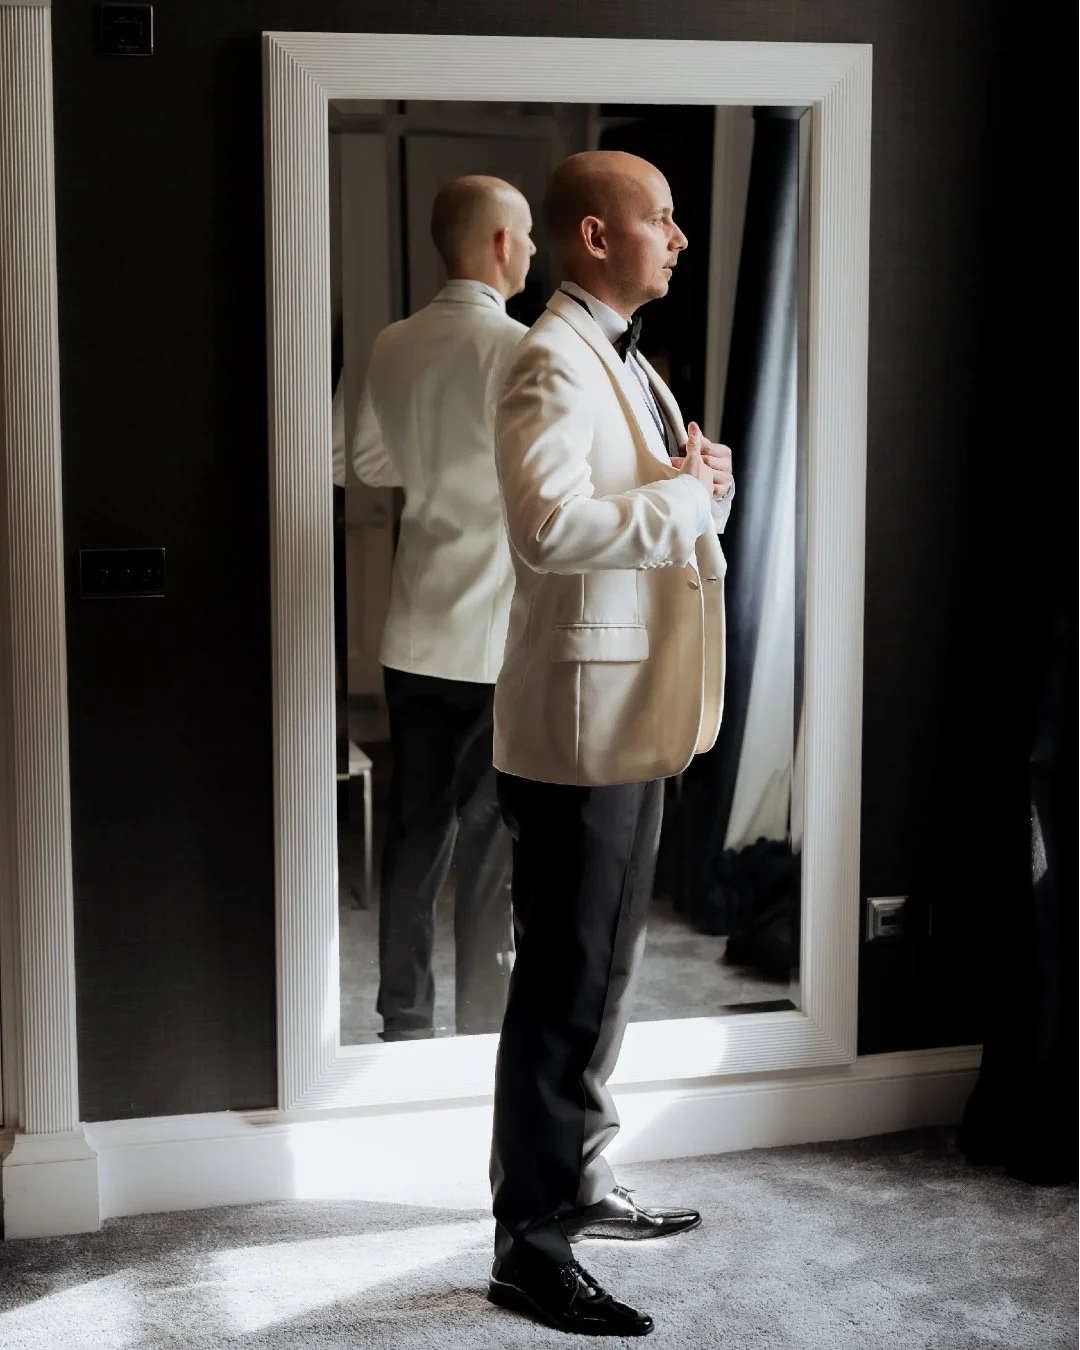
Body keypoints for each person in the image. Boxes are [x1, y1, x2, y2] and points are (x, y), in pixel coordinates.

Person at [486, 150, 734, 1336]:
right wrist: (686, 502)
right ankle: (527, 1247)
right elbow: (547, 531)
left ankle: (580, 1184)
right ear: (593, 237)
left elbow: (644, 500)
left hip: (632, 716)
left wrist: (701, 484)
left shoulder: (624, 358)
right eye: (664, 220)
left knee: (608, 980)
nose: (680, 238)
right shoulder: (546, 357)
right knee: (562, 992)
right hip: (577, 731)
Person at [346, 176, 536, 1041]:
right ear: (498, 243)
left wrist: (434, 466)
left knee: (414, 830)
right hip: (494, 638)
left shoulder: (389, 342)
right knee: (491, 844)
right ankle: (483, 1028)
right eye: (527, 235)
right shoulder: (520, 348)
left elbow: (365, 464)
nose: (533, 250)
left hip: (413, 629)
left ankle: (404, 1017)